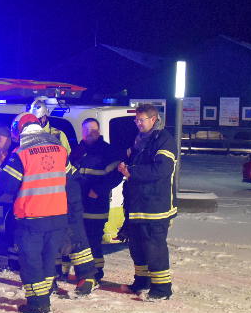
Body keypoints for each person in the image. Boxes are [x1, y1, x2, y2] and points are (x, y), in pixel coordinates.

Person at [0, 113, 68, 313]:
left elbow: (7, 184)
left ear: (20, 130)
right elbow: (71, 178)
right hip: (58, 214)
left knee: (30, 261)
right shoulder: (60, 149)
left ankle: (38, 305)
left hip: (32, 216)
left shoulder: (21, 153)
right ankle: (44, 298)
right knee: (48, 258)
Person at [30, 96, 96, 293]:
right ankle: (52, 277)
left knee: (75, 233)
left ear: (44, 118)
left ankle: (86, 276)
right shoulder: (29, 139)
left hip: (64, 191)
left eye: (38, 120)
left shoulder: (58, 135)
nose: (36, 124)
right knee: (51, 237)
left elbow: (66, 163)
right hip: (49, 195)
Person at [118, 104, 177, 300]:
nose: (138, 123)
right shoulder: (139, 139)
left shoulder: (164, 140)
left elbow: (162, 170)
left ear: (153, 119)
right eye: (136, 120)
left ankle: (162, 289)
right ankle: (141, 282)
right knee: (137, 246)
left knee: (155, 247)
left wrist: (131, 172)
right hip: (137, 205)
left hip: (155, 206)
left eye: (141, 119)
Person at [69, 118, 123, 282]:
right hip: (78, 203)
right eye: (86, 130)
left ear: (98, 131)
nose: (89, 133)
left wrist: (98, 190)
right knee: (79, 240)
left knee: (93, 239)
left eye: (93, 130)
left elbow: (116, 176)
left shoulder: (108, 151)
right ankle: (83, 273)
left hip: (96, 205)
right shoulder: (78, 150)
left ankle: (97, 273)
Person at [0, 123, 20, 269]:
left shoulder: (15, 154)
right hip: (21, 199)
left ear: (0, 138)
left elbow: (3, 183)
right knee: (12, 226)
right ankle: (14, 262)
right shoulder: (13, 152)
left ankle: (15, 263)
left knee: (13, 227)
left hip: (23, 200)